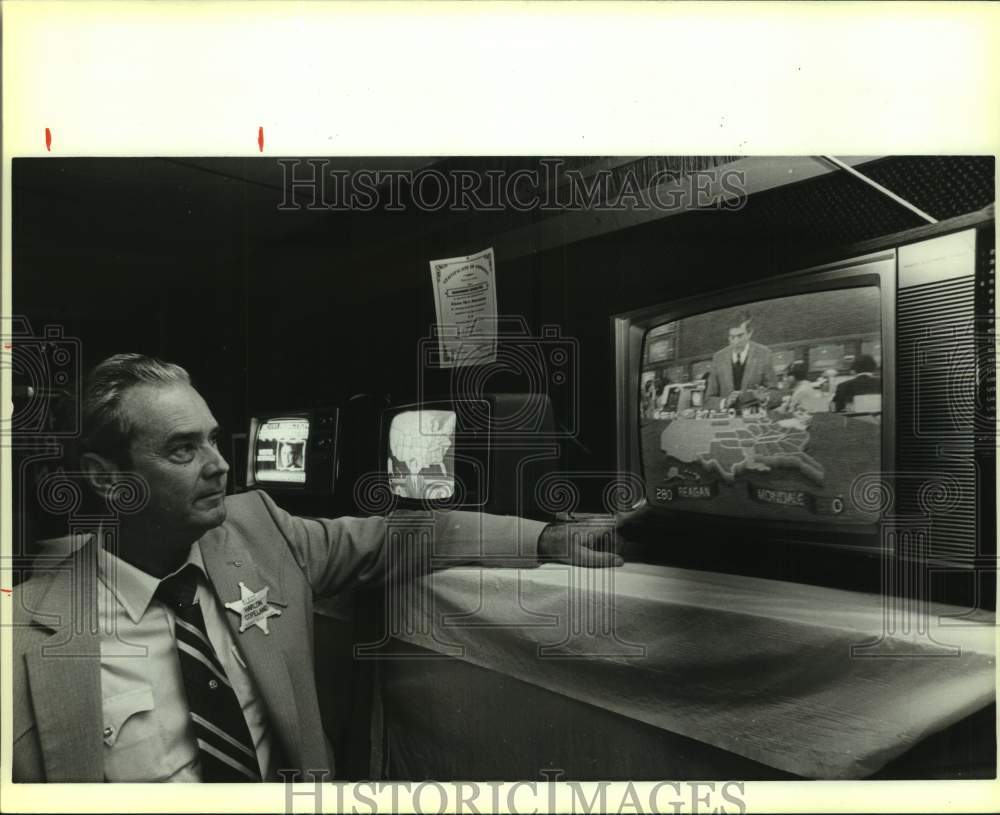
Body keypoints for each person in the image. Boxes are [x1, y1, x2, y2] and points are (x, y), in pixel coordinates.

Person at [11, 354, 622, 783]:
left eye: (214, 440)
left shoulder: (258, 529)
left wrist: (550, 537)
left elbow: (407, 533)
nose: (219, 465)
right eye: (182, 449)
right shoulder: (27, 628)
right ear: (104, 478)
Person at [703, 312, 777, 410]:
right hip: (725, 420)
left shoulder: (764, 353)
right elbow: (708, 400)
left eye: (740, 336)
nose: (735, 341)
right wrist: (725, 402)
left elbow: (775, 393)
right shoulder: (718, 357)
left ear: (749, 333)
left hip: (752, 420)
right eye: (732, 337)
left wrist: (764, 398)